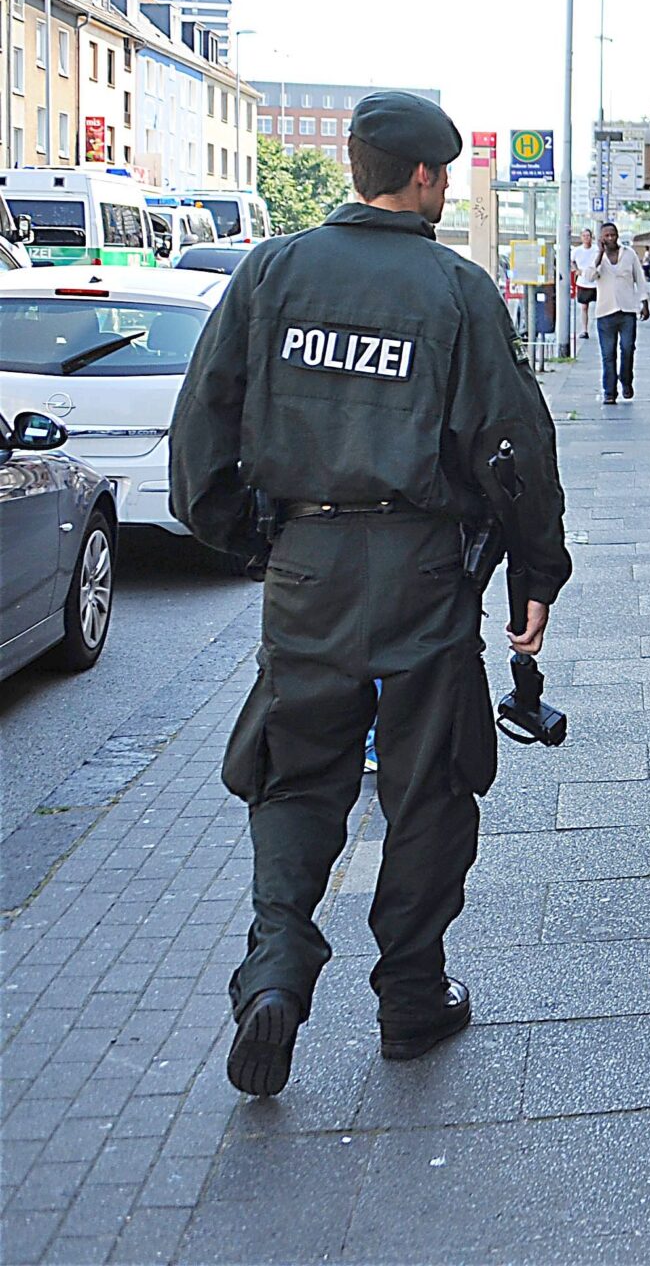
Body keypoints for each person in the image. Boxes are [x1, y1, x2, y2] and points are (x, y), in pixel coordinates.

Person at [169, 91, 570, 1097]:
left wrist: (252, 541)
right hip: (421, 568)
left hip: (306, 564)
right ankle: (410, 994)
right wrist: (535, 570)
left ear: (354, 168)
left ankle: (274, 971)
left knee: (297, 774)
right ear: (428, 177)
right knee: (427, 783)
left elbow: (203, 429)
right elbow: (511, 444)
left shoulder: (272, 271)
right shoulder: (454, 287)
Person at [588, 221, 648, 405]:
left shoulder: (629, 254)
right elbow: (589, 277)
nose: (610, 239)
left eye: (613, 235)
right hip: (605, 311)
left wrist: (644, 301)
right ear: (601, 238)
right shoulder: (597, 257)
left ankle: (626, 380)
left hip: (627, 310)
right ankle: (609, 391)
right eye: (606, 236)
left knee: (628, 348)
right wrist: (599, 254)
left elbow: (640, 277)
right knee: (608, 354)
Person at [571, 228, 598, 338]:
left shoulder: (596, 250)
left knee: (600, 305)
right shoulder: (577, 251)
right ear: (581, 237)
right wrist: (576, 270)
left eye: (588, 235)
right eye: (584, 236)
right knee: (584, 307)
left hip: (596, 281)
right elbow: (571, 261)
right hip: (582, 281)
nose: (587, 238)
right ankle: (584, 330)